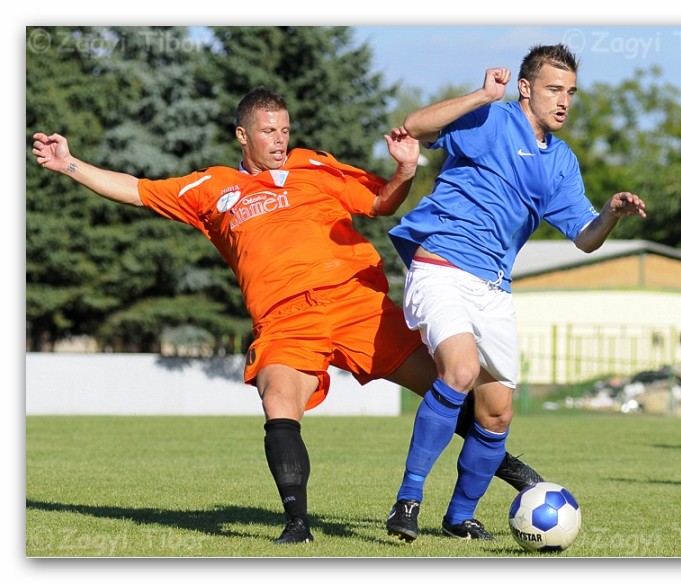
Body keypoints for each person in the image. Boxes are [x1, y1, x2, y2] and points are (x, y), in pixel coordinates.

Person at [31, 86, 543, 545]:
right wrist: (70, 164)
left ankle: (511, 476)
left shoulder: (315, 167)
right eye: (267, 131)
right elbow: (137, 189)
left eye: (284, 130)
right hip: (285, 319)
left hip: (356, 303)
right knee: (278, 400)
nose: (279, 140)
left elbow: (381, 203)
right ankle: (297, 523)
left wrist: (406, 171)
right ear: (242, 135)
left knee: (453, 388)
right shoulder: (212, 187)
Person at [385, 44, 647, 542]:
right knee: (460, 371)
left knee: (497, 410)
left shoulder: (561, 162)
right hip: (442, 266)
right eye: (554, 89)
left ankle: (459, 517)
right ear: (525, 88)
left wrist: (610, 213)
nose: (564, 101)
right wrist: (483, 94)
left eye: (571, 92)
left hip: (494, 286)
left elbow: (585, 238)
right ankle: (408, 500)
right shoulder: (490, 119)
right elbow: (415, 125)